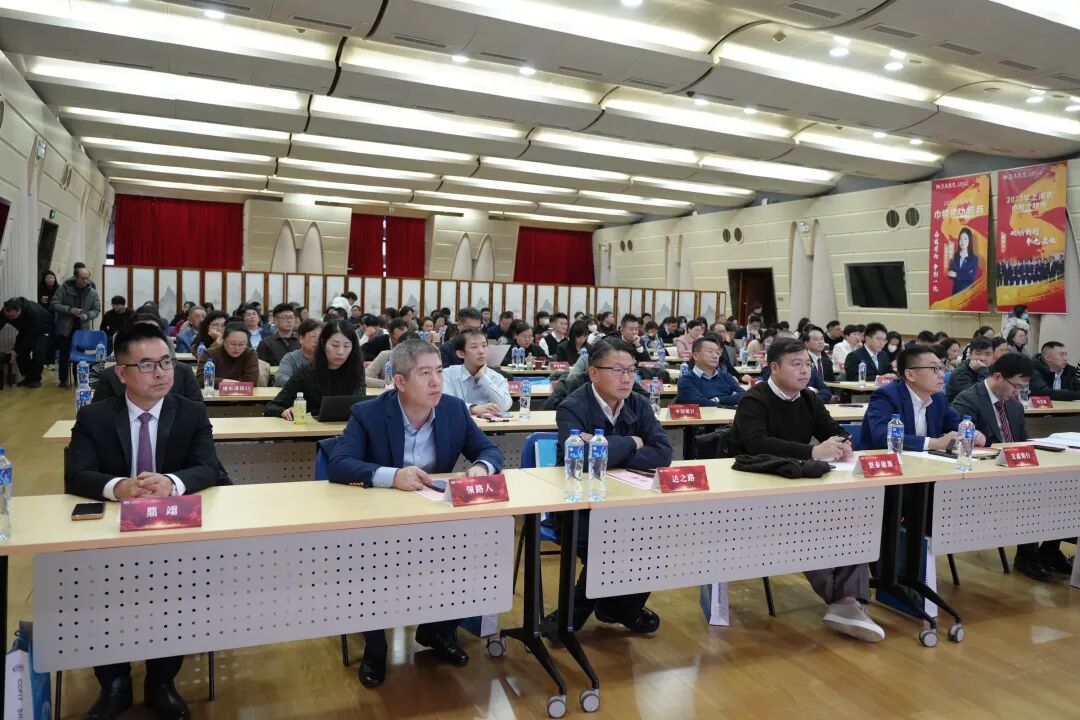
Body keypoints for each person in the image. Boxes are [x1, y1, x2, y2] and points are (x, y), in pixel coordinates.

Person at [65, 323, 229, 720]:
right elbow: (76, 474)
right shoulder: (95, 416)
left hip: (170, 528)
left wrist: (171, 483)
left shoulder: (189, 412)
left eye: (166, 362)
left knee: (175, 591)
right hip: (112, 531)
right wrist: (118, 487)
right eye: (147, 365)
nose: (161, 373)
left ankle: (161, 682)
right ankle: (115, 684)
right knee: (97, 590)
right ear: (121, 372)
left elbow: (210, 467)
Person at [328, 340, 503, 688]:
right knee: (371, 565)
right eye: (425, 374)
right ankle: (376, 649)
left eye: (438, 371)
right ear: (400, 381)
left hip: (436, 516)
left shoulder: (453, 409)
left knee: (474, 548)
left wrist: (481, 468)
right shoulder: (369, 413)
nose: (436, 382)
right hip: (381, 520)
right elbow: (339, 463)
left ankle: (437, 631)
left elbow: (488, 450)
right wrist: (393, 476)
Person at [729, 338, 883, 643]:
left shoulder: (809, 398)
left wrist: (842, 443)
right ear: (774, 368)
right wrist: (812, 452)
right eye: (796, 364)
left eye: (807, 365)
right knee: (806, 525)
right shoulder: (754, 399)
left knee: (855, 515)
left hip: (799, 480)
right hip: (756, 486)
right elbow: (757, 444)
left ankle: (847, 602)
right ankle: (846, 602)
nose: (804, 371)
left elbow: (833, 430)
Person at [554, 340, 672, 631]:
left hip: (628, 500)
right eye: (618, 370)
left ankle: (618, 608)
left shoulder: (638, 403)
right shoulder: (571, 406)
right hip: (578, 503)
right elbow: (581, 459)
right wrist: (633, 442)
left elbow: (663, 453)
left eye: (632, 370)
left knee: (659, 538)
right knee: (609, 544)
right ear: (594, 373)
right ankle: (567, 620)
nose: (627, 378)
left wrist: (604, 448)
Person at [950, 354, 1069, 580]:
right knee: (1035, 492)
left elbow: (1022, 442)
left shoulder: (1013, 405)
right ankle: (1027, 556)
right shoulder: (967, 400)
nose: (1018, 393)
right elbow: (959, 444)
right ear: (997, 377)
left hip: (1014, 470)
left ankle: (1049, 551)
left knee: (1060, 487)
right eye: (1016, 386)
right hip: (982, 476)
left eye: (1023, 388)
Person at [861, 345, 983, 452]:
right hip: (886, 464)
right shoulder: (886, 396)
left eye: (940, 368)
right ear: (910, 375)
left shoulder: (938, 398)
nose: (941, 374)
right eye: (934, 369)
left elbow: (955, 422)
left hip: (924, 464)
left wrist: (974, 433)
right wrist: (936, 443)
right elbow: (883, 437)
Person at [265, 320, 365, 419]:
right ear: (323, 343)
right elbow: (272, 407)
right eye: (335, 345)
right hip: (311, 428)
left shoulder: (356, 370)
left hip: (346, 427)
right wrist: (283, 412)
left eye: (346, 346)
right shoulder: (305, 372)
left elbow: (359, 405)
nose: (340, 352)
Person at [50, 265, 101, 387]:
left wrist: (88, 315)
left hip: (82, 329)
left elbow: (97, 309)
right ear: (76, 277)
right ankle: (63, 379)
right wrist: (69, 309)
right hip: (65, 328)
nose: (86, 281)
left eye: (87, 278)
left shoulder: (93, 292)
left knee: (80, 356)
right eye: (83, 278)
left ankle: (78, 379)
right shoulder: (64, 288)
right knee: (64, 355)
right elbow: (54, 304)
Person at [442, 329, 512, 415]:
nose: (481, 351)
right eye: (474, 347)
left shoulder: (497, 377)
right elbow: (445, 401)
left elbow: (505, 406)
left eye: (484, 346)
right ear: (461, 354)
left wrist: (484, 378)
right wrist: (472, 408)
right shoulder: (448, 374)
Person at [675, 336, 745, 407]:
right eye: (710, 352)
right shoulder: (686, 380)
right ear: (696, 356)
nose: (715, 356)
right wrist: (731, 404)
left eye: (717, 353)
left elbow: (743, 395)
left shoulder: (725, 376)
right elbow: (702, 403)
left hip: (729, 414)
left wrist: (718, 400)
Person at [0, 296, 53, 387]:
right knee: (20, 353)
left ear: (19, 311)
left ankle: (35, 379)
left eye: (12, 317)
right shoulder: (6, 311)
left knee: (38, 351)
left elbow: (30, 336)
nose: (10, 319)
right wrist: (17, 351)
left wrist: (16, 350)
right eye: (8, 316)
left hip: (43, 328)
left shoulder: (33, 312)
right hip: (27, 328)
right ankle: (28, 377)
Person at [196, 322, 259, 388]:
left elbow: (251, 382)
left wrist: (220, 382)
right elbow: (201, 379)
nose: (237, 348)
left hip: (243, 394)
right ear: (223, 340)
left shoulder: (250, 354)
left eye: (242, 344)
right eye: (233, 344)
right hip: (215, 394)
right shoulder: (210, 354)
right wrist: (226, 382)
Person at [275, 319, 323, 387]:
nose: (317, 341)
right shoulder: (291, 358)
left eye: (320, 337)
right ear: (301, 339)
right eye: (313, 336)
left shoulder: (327, 358)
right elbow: (280, 378)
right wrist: (304, 384)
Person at [946, 336, 993, 402]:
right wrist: (983, 371)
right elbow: (978, 398)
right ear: (970, 354)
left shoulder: (992, 368)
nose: (982, 358)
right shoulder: (960, 373)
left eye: (987, 354)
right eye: (978, 353)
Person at [947, 226, 979, 295]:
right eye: (960, 239)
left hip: (968, 294)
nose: (962, 241)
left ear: (969, 240)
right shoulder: (955, 256)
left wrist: (956, 274)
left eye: (965, 239)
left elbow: (971, 275)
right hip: (955, 293)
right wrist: (964, 273)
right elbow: (950, 273)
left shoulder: (974, 258)